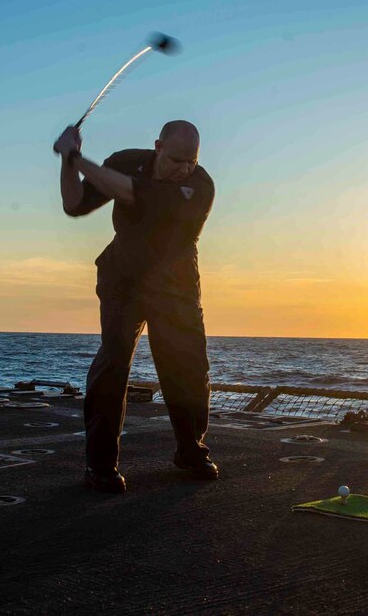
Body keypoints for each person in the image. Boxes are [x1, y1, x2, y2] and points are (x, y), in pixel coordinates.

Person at [54, 120, 218, 493]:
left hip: (174, 283)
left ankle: (190, 451)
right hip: (122, 278)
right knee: (113, 360)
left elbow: (131, 194)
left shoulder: (199, 187)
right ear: (158, 146)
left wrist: (75, 155)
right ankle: (100, 466)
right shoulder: (125, 161)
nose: (184, 169)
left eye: (191, 161)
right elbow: (73, 203)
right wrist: (66, 162)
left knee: (189, 367)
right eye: (177, 160)